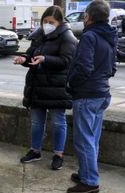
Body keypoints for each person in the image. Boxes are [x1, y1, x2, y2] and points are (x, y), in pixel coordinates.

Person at [13, 6, 77, 170]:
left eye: (51, 22)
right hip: (37, 86)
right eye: (45, 21)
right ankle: (35, 151)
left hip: (57, 87)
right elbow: (31, 55)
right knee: (36, 122)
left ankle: (58, 154)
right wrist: (23, 59)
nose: (47, 24)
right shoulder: (39, 35)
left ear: (59, 22)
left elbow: (66, 61)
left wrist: (45, 59)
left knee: (58, 122)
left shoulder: (67, 37)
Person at [66, 0, 117, 193]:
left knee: (84, 139)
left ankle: (89, 181)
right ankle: (86, 172)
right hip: (102, 93)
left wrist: (72, 84)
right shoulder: (109, 36)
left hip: (87, 95)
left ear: (88, 16)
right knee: (92, 138)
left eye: (85, 14)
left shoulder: (89, 36)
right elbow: (112, 68)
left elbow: (83, 67)